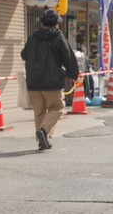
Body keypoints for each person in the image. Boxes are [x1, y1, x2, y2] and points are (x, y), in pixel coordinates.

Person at [21, 8, 79, 151]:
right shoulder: (58, 37)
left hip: (33, 82)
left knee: (39, 112)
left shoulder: (33, 37)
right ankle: (44, 131)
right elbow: (68, 57)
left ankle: (43, 140)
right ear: (56, 24)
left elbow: (24, 55)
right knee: (57, 108)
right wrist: (73, 74)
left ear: (42, 22)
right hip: (52, 82)